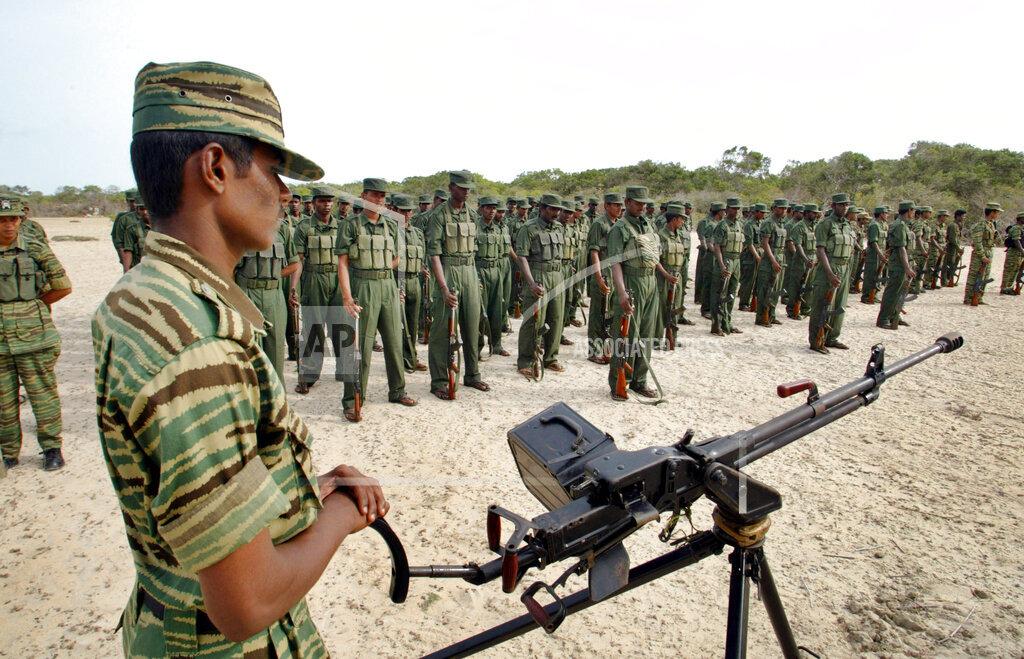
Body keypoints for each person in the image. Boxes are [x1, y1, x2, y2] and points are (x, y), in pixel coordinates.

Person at [93, 61, 388, 657]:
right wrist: (338, 519)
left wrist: (310, 487)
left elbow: (199, 481)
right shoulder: (195, 342)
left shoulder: (147, 295)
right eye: (275, 171)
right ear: (216, 168)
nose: (285, 194)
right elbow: (246, 603)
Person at [335, 178, 417, 421]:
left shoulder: (391, 226)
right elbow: (342, 262)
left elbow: (396, 258)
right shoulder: (350, 225)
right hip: (364, 286)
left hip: (387, 286)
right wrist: (347, 297)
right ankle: (352, 400)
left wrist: (382, 270)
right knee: (360, 348)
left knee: (394, 340)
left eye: (383, 196)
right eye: (375, 195)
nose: (380, 200)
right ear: (363, 196)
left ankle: (398, 390)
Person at [1, 198, 71, 471]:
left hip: (34, 337)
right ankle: (9, 453)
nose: (9, 225)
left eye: (14, 219)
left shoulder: (35, 248)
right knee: (4, 403)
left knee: (43, 394)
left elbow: (63, 285)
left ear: (21, 220)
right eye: (3, 220)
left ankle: (52, 449)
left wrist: (35, 305)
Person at [424, 171, 490, 398]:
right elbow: (433, 254)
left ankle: (472, 375)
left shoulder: (472, 215)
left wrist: (475, 279)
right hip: (448, 271)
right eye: (462, 187)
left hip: (470, 271)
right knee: (442, 329)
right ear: (451, 187)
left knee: (473, 324)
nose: (466, 191)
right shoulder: (439, 215)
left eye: (468, 187)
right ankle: (440, 381)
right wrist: (442, 287)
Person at [606, 186, 661, 399]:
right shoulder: (619, 229)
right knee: (625, 336)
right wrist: (621, 293)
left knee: (645, 335)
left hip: (650, 282)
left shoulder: (648, 225)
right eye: (638, 203)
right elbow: (615, 263)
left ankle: (640, 380)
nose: (642, 207)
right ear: (627, 202)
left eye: (644, 203)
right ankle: (619, 383)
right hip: (631, 281)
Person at [234, 210, 299, 381]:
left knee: (276, 348)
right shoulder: (239, 225)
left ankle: (278, 401)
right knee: (249, 350)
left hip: (274, 295)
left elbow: (294, 263)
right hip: (246, 293)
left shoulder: (282, 229)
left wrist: (275, 276)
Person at [294, 187, 342, 393]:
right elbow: (299, 260)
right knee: (313, 328)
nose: (327, 205)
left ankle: (345, 369)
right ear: (314, 203)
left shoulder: (341, 227)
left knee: (341, 326)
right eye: (322, 201)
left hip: (338, 279)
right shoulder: (304, 227)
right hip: (314, 279)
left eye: (330, 201)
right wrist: (295, 288)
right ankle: (309, 375)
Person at [515, 195, 567, 377]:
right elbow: (521, 257)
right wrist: (530, 283)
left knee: (556, 318)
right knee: (533, 321)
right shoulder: (529, 228)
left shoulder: (560, 227)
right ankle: (526, 360)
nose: (556, 213)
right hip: (538, 275)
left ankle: (550, 358)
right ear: (542, 208)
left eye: (558, 209)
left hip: (557, 276)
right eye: (553, 209)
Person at [807, 194, 856, 353]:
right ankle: (816, 341)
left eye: (847, 205)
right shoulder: (825, 224)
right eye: (841, 205)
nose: (845, 207)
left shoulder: (848, 225)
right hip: (829, 267)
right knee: (822, 306)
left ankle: (831, 338)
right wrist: (829, 273)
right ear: (833, 206)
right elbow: (820, 250)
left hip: (844, 267)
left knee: (839, 306)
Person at [391, 194, 428, 371]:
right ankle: (400, 360)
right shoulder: (389, 232)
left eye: (408, 211)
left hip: (415, 281)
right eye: (402, 211)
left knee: (413, 322)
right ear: (394, 211)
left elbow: (421, 257)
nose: (406, 214)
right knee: (398, 324)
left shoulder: (417, 233)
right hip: (397, 281)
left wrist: (423, 269)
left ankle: (411, 355)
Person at [585, 192, 622, 364]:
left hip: (615, 275)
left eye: (621, 205)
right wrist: (598, 277)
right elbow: (594, 252)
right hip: (603, 275)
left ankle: (607, 349)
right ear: (606, 206)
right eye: (615, 205)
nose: (619, 208)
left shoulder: (618, 224)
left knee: (611, 314)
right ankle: (594, 351)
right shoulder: (599, 224)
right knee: (598, 314)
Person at [475, 196, 510, 356]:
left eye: (494, 208)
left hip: (496, 271)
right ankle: (478, 346)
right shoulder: (474, 228)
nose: (492, 211)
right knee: (480, 311)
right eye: (488, 207)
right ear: (481, 208)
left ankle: (496, 344)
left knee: (497, 309)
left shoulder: (498, 229)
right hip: (479, 270)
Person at [877, 201, 917, 329]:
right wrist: (907, 267)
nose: (914, 213)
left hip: (902, 262)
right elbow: (901, 248)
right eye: (913, 210)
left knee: (899, 292)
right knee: (892, 292)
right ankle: (883, 319)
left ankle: (894, 316)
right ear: (908, 211)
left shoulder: (903, 225)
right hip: (899, 264)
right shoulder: (899, 225)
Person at [655, 203, 691, 346]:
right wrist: (666, 275)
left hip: (677, 277)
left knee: (675, 307)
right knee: (661, 308)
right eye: (682, 219)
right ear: (674, 219)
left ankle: (672, 338)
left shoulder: (679, 236)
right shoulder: (661, 236)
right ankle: (657, 340)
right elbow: (655, 260)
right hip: (664, 277)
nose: (683, 222)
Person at [709, 198, 744, 336]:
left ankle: (727, 323)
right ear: (727, 209)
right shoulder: (722, 225)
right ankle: (716, 325)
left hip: (737, 261)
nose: (736, 211)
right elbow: (717, 246)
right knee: (719, 294)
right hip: (726, 260)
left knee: (731, 294)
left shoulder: (739, 225)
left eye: (738, 209)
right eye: (733, 208)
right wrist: (722, 265)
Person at [754, 200, 788, 327]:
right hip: (769, 261)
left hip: (779, 258)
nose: (783, 210)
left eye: (785, 208)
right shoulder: (768, 223)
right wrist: (773, 260)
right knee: (765, 290)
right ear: (774, 208)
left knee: (775, 290)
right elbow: (765, 243)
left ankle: (771, 315)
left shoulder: (782, 223)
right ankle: (762, 317)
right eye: (781, 208)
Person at [784, 203, 818, 319]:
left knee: (809, 286)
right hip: (801, 260)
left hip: (812, 259)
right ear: (807, 213)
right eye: (813, 213)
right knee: (796, 286)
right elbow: (797, 245)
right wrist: (805, 259)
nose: (815, 215)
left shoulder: (814, 226)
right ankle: (792, 310)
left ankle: (805, 308)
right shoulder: (799, 226)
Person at [964, 203, 1001, 305]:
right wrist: (982, 256)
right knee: (974, 275)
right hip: (980, 253)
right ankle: (969, 298)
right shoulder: (981, 224)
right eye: (997, 212)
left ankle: (979, 297)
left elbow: (997, 240)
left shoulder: (991, 224)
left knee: (985, 276)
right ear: (992, 212)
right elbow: (977, 242)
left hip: (988, 251)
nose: (998, 214)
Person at [737, 203, 763, 312]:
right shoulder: (749, 225)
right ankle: (743, 303)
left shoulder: (761, 224)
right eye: (761, 212)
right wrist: (757, 256)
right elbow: (749, 243)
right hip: (750, 255)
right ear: (756, 212)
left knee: (758, 280)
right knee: (748, 280)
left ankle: (754, 303)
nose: (763, 215)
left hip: (760, 252)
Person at [861, 207, 889, 304]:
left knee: (878, 275)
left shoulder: (882, 225)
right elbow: (873, 242)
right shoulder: (874, 225)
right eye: (886, 213)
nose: (887, 215)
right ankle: (866, 296)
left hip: (880, 253)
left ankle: (874, 295)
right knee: (871, 275)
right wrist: (880, 254)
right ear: (881, 214)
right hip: (874, 254)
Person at [121, 202, 152, 271]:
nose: (145, 212)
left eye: (147, 208)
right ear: (138, 210)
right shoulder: (132, 229)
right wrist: (126, 272)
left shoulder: (164, 228)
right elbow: (128, 251)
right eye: (142, 209)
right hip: (140, 270)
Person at [1000, 212, 1024, 294]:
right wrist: (1022, 250)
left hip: (1017, 253)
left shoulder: (1020, 228)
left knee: (1015, 271)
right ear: (1021, 219)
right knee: (1009, 271)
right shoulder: (1017, 228)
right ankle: (1004, 288)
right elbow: (1016, 240)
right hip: (1014, 252)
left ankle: (1009, 288)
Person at [110, 192, 139, 261]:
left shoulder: (146, 216)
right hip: (128, 254)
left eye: (136, 201)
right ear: (127, 201)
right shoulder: (122, 217)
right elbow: (116, 239)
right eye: (132, 201)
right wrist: (122, 257)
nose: (134, 204)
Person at [942, 210, 966, 287]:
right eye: (963, 216)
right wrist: (958, 248)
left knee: (954, 265)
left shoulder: (958, 225)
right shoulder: (953, 225)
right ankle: (945, 281)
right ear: (958, 216)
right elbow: (952, 239)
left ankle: (950, 280)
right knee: (948, 264)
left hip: (956, 248)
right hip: (951, 248)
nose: (964, 218)